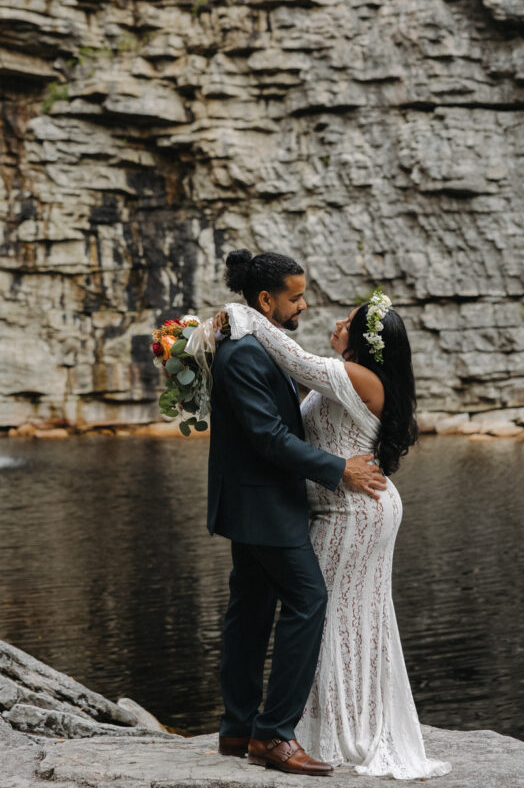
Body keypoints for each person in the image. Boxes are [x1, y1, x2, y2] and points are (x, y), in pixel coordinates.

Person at [221, 288, 452, 779]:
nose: (338, 324)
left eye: (349, 322)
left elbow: (292, 355)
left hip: (353, 511)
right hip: (344, 507)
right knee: (343, 619)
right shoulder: (352, 379)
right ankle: (331, 725)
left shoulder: (355, 375)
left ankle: (324, 730)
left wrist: (238, 315)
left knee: (328, 618)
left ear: (368, 344)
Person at [208, 249, 387, 777]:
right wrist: (339, 470)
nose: (304, 305)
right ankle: (274, 735)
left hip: (256, 502)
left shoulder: (263, 345)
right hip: (261, 504)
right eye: (295, 296)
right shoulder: (243, 353)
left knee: (251, 612)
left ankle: (238, 728)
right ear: (266, 300)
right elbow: (268, 437)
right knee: (308, 600)